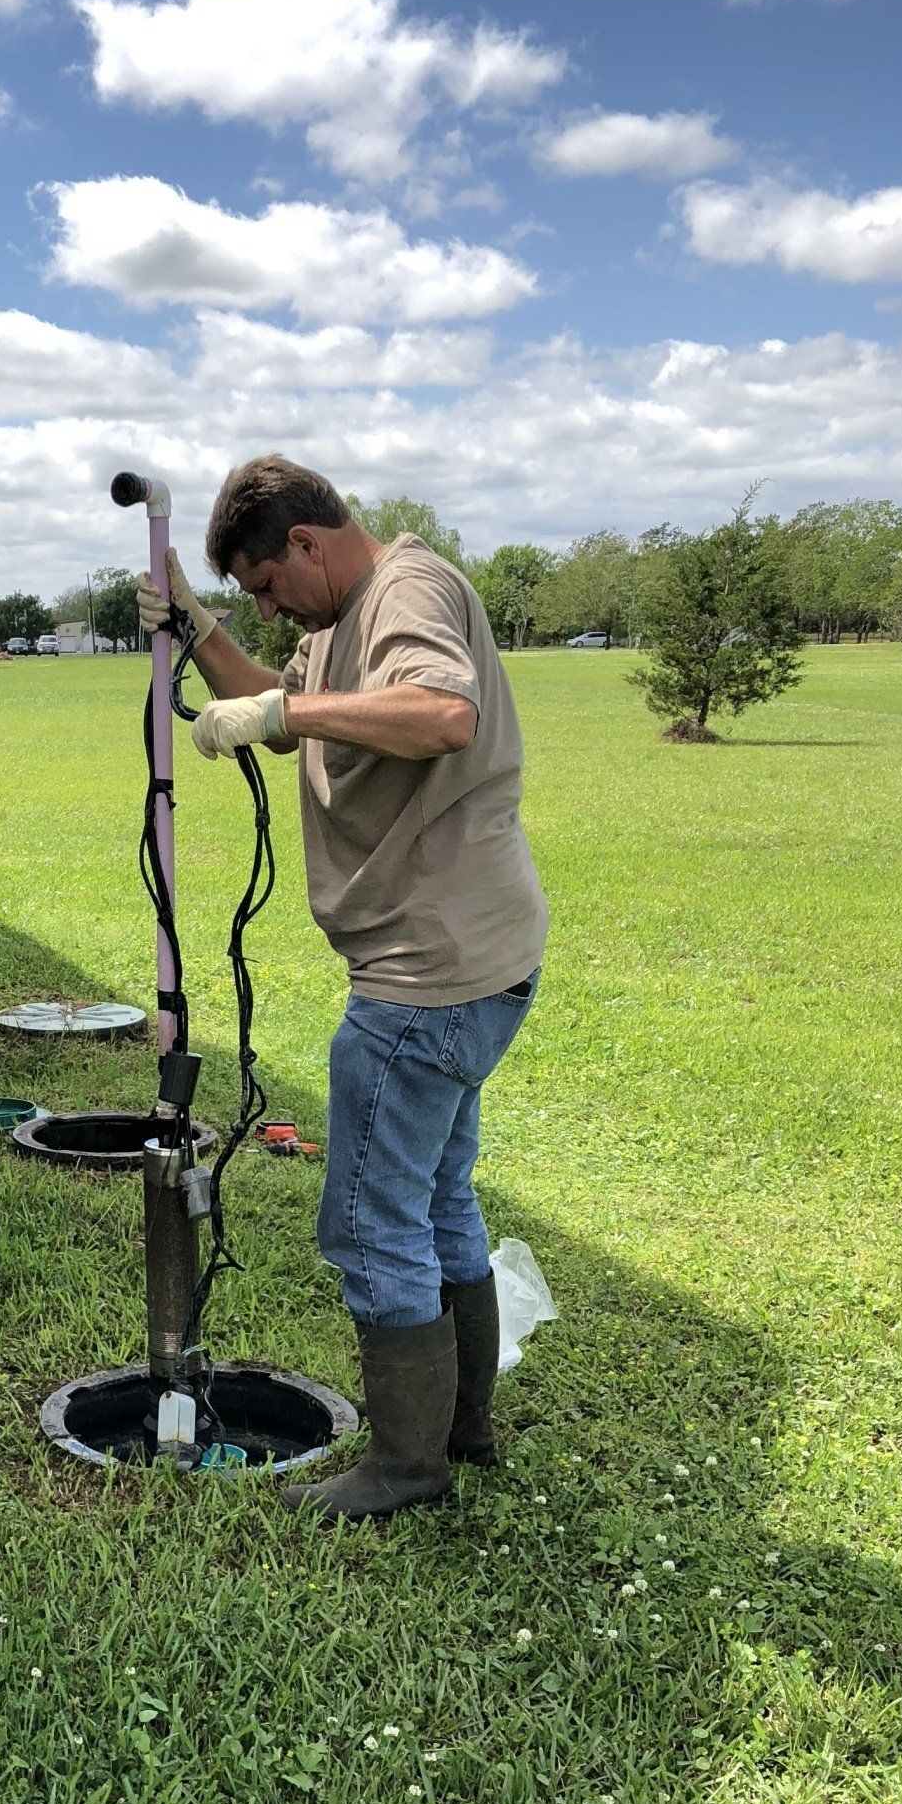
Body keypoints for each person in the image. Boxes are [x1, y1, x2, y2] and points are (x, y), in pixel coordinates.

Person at [138, 457, 547, 1523]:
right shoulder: (341, 616)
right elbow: (291, 696)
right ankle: (463, 1428)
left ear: (310, 546)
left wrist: (281, 713)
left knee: (369, 1221)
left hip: (426, 978)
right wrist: (195, 627)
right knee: (439, 1198)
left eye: (268, 587)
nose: (268, 610)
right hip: (473, 959)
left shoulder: (407, 590)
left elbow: (439, 711)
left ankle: (408, 1467)